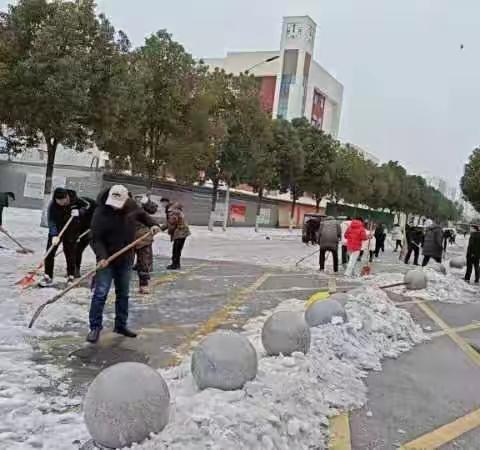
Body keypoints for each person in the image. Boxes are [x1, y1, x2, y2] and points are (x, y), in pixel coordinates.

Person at [87, 185, 160, 343]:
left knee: (123, 294)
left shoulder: (132, 206)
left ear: (126, 198)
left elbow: (143, 216)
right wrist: (101, 257)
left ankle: (120, 325)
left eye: (118, 203)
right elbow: (95, 238)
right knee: (100, 293)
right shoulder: (101, 212)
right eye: (113, 202)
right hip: (106, 259)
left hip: (125, 258)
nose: (115, 206)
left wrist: (153, 224)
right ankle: (95, 327)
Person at [40, 187, 95, 287]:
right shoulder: (53, 205)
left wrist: (80, 212)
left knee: (70, 253)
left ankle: (71, 276)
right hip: (57, 229)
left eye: (62, 201)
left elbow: (88, 206)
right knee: (50, 252)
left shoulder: (75, 199)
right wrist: (54, 235)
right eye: (58, 201)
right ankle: (48, 276)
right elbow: (51, 221)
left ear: (66, 197)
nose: (60, 203)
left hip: (72, 229)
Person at [135, 197, 159, 294]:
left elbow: (152, 211)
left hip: (143, 238)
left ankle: (143, 284)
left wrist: (146, 202)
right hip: (127, 238)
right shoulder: (126, 207)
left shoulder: (142, 208)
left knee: (144, 262)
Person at [163, 201, 190, 270]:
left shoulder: (173, 213)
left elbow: (171, 223)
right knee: (178, 249)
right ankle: (176, 264)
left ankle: (175, 264)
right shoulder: (178, 212)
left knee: (176, 249)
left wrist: (161, 228)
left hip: (180, 233)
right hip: (183, 232)